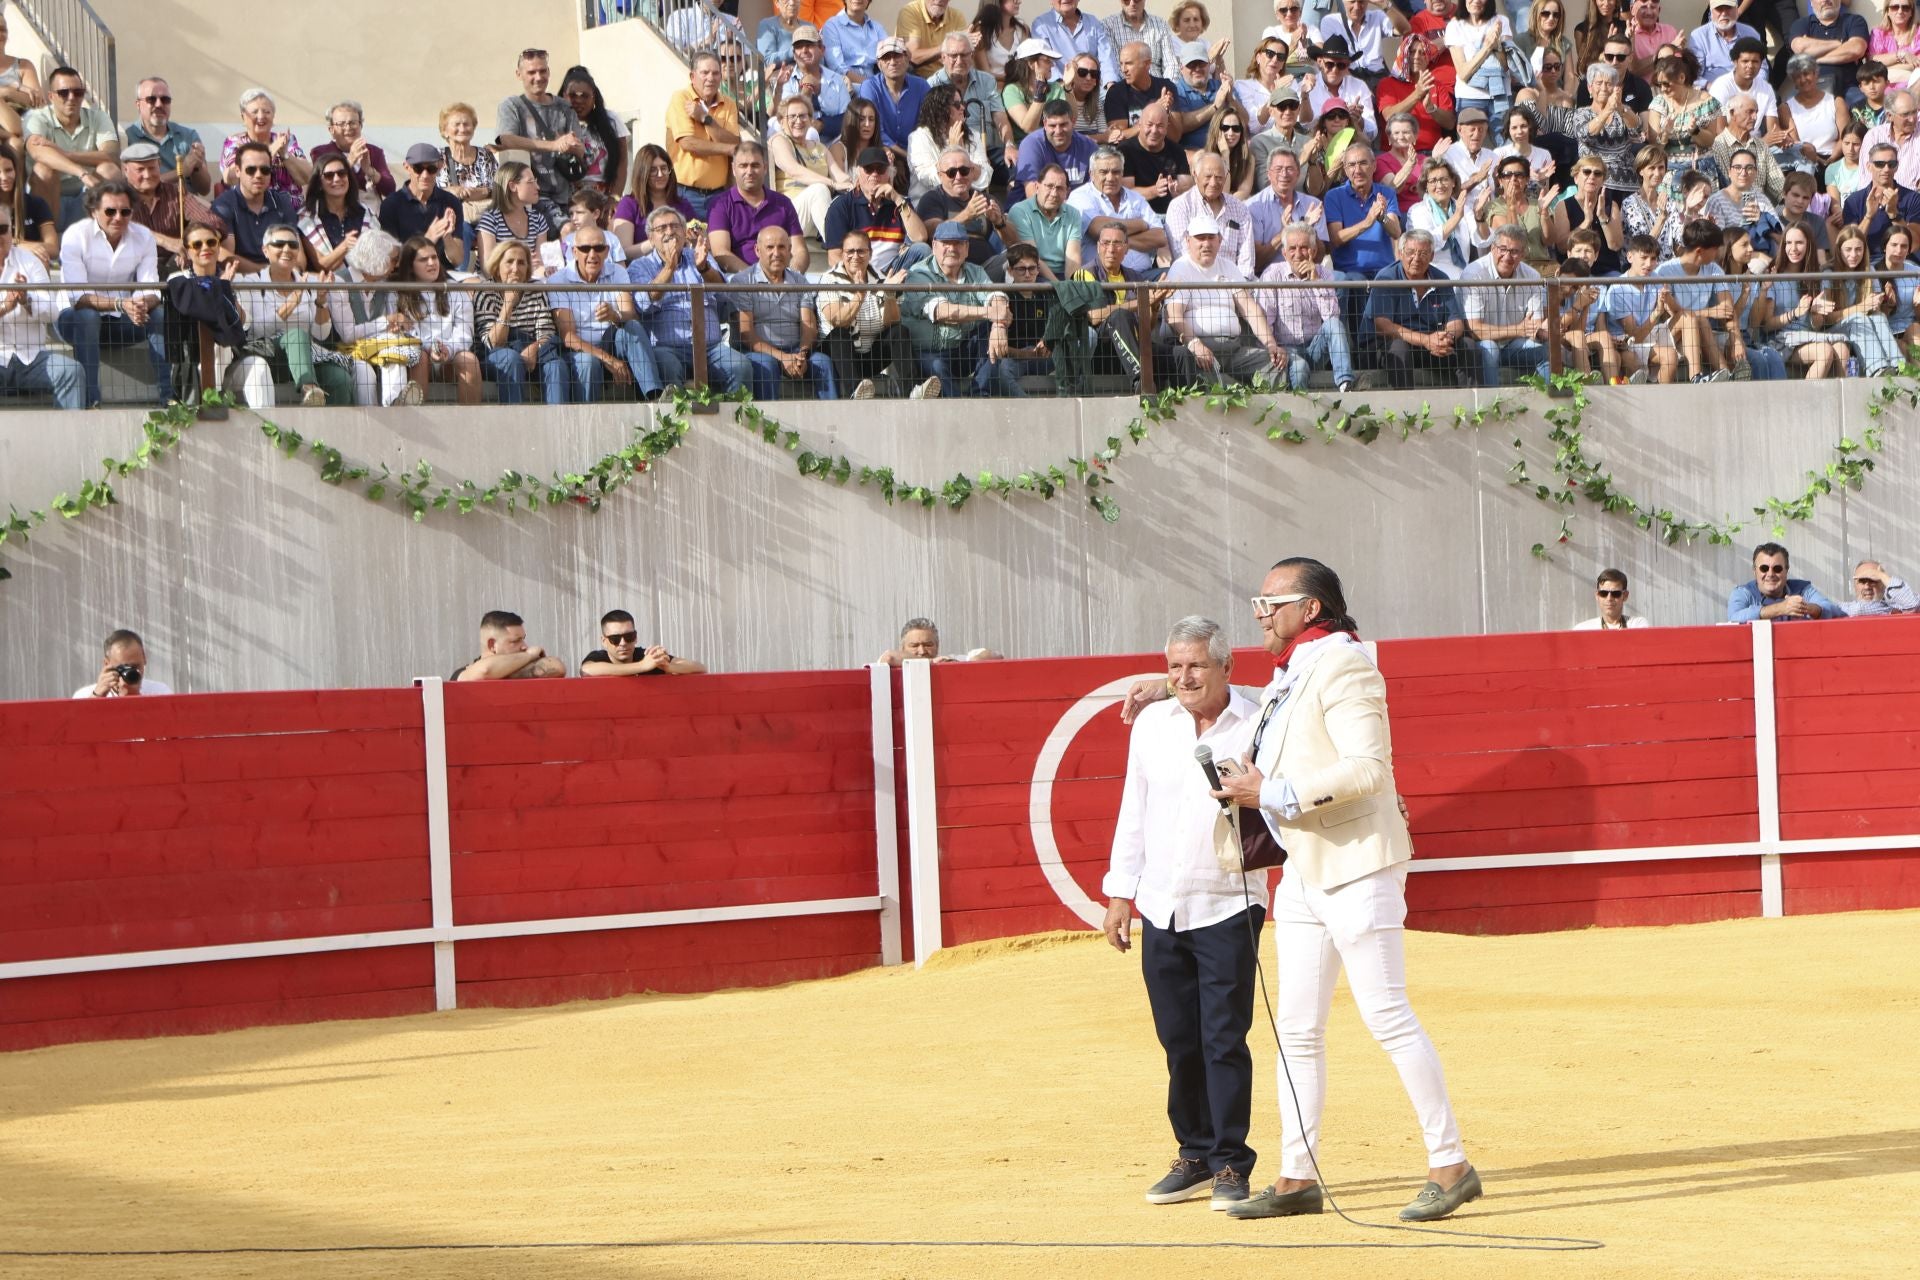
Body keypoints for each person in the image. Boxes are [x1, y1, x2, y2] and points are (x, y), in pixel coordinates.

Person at [1151, 557, 1478, 1225]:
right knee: (1296, 1028)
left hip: (1358, 864)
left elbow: (1367, 769)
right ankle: (1297, 1176)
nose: (1259, 613)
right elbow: (1235, 714)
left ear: (1309, 609)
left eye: (1271, 602)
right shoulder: (1294, 670)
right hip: (1304, 865)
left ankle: (1451, 1163)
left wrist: (1267, 792)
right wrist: (1158, 695)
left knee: (1386, 1014)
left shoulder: (1346, 665)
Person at [1102, 615, 1268, 1214]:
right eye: (1174, 665)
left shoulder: (1258, 718)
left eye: (1197, 664)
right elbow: (1133, 808)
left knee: (1224, 1038)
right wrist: (1121, 892)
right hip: (1160, 904)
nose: (1184, 676)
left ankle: (1230, 1161)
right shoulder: (1150, 724)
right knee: (1178, 1039)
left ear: (1228, 666)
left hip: (1228, 899)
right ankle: (1195, 1154)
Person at [55, 181, 167, 408]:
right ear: (93, 211)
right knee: (88, 316)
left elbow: (152, 288)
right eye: (110, 211)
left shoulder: (143, 236)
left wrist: (140, 304)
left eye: (125, 211)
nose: (118, 217)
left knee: (159, 314)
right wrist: (121, 304)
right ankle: (91, 400)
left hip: (123, 321)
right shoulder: (76, 235)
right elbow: (78, 297)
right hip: (73, 322)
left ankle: (170, 397)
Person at [629, 207, 752, 393]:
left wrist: (704, 268)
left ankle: (737, 418)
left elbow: (724, 291)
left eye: (675, 226)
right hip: (666, 348)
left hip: (710, 348)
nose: (669, 232)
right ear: (651, 238)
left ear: (684, 232)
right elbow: (643, 303)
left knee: (740, 366)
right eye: (662, 228)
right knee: (665, 365)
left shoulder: (699, 255)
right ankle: (675, 422)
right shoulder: (640, 266)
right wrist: (669, 269)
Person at [232, 223, 353, 409]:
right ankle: (309, 388)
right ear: (265, 250)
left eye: (293, 245)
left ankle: (333, 432)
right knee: (296, 335)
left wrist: (321, 303)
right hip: (268, 355)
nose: (287, 249)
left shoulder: (311, 282)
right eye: (279, 244)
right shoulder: (251, 283)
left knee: (340, 378)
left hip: (305, 356)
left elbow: (320, 334)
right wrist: (291, 303)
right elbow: (253, 330)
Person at [1161, 213, 1286, 385]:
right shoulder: (1180, 268)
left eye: (1211, 237)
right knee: (1220, 386)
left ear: (1219, 240)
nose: (1206, 244)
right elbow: (1174, 315)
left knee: (1276, 365)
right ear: (1188, 241)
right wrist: (1194, 344)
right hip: (1200, 351)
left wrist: (1270, 343)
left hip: (1234, 350)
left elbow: (1249, 309)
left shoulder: (1229, 267)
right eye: (1200, 238)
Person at [901, 219, 1021, 395]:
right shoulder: (919, 273)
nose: (952, 248)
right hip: (929, 352)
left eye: (958, 243)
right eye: (946, 243)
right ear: (934, 246)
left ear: (967, 248)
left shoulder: (975, 271)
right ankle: (958, 411)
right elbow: (942, 312)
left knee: (988, 330)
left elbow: (996, 296)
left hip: (961, 350)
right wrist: (990, 313)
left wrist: (999, 325)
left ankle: (980, 395)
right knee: (937, 367)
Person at [550, 222, 661, 403]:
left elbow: (631, 315)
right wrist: (608, 360)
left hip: (612, 342)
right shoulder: (558, 280)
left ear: (607, 251)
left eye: (598, 248)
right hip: (579, 351)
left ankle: (654, 397)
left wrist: (614, 316)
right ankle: (585, 422)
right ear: (574, 252)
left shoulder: (618, 272)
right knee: (588, 363)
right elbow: (568, 337)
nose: (592, 254)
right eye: (585, 248)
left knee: (632, 326)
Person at [819, 228, 930, 397]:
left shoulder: (880, 278)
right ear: (842, 254)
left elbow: (891, 322)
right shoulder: (829, 279)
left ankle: (913, 390)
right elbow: (838, 320)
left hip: (869, 356)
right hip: (839, 356)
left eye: (861, 251)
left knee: (899, 332)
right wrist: (860, 294)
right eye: (850, 251)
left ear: (870, 254)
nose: (855, 256)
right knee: (839, 334)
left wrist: (889, 294)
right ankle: (855, 392)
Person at [733, 225, 836, 400]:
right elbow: (747, 334)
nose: (776, 253)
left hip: (797, 350)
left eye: (782, 247)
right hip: (759, 353)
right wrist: (783, 357)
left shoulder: (800, 281)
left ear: (790, 251)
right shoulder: (742, 281)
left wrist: (801, 355)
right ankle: (768, 425)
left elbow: (809, 325)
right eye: (770, 247)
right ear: (757, 250)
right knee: (766, 365)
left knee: (822, 363)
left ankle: (834, 422)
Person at [1367, 229, 1475, 387]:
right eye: (1411, 252)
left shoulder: (1441, 278)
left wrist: (1446, 338)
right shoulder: (1387, 277)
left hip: (1432, 345)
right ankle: (1405, 410)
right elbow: (1383, 326)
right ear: (1401, 253)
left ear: (1432, 256)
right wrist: (1425, 340)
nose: (1416, 258)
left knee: (1468, 344)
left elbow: (1456, 321)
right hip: (1389, 346)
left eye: (1423, 253)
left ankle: (1472, 406)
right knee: (1398, 347)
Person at [0, 206, 83, 409]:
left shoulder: (30, 262)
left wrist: (26, 300)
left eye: (2, 229)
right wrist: (5, 307)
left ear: (12, 231)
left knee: (71, 371)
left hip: (33, 357)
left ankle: (70, 438)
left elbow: (52, 312)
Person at [1258, 220, 1352, 390]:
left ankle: (1345, 383)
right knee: (1300, 368)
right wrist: (1274, 350)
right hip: (1287, 350)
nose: (1298, 254)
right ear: (1284, 253)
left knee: (1335, 325)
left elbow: (1331, 317)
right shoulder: (1272, 274)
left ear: (1314, 251)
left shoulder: (1324, 273)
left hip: (1315, 348)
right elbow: (1266, 320)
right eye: (1292, 248)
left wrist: (1316, 281)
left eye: (1304, 248)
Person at [475, 239, 570, 404]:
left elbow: (546, 332)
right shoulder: (485, 292)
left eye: (521, 263)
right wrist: (508, 304)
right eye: (509, 262)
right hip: (496, 356)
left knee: (556, 366)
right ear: (497, 267)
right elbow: (493, 343)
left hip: (532, 351)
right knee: (511, 359)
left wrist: (534, 347)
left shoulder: (535, 290)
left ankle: (558, 425)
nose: (515, 269)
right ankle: (514, 424)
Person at [23, 66, 120, 226]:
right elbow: (38, 153)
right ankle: (50, 238)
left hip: (85, 196)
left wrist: (66, 154)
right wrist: (81, 172)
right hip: (48, 197)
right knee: (43, 170)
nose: (71, 97)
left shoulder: (98, 117)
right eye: (64, 92)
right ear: (51, 96)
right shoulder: (36, 118)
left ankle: (99, 238)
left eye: (78, 92)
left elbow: (112, 155)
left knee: (109, 170)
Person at [496, 48, 585, 214]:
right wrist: (553, 145)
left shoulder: (564, 107)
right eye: (531, 72)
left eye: (543, 71)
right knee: (566, 229)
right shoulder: (511, 106)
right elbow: (506, 139)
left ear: (549, 72)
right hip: (530, 199)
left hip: (566, 196)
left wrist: (571, 145)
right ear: (518, 74)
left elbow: (580, 150)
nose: (538, 77)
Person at [1461, 223, 1550, 384]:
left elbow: (1534, 325)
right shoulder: (1474, 274)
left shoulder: (1532, 276)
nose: (1507, 257)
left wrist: (1543, 331)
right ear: (1492, 248)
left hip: (1515, 345)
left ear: (1523, 254)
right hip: (1482, 346)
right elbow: (1475, 330)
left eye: (1514, 251)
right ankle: (1492, 404)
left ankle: (1555, 400)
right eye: (1503, 249)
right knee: (1490, 349)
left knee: (1544, 350)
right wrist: (1519, 329)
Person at [396, 235, 480, 405]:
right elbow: (406, 334)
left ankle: (471, 426)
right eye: (423, 259)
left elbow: (465, 333)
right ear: (411, 266)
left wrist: (447, 350)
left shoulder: (456, 291)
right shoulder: (398, 293)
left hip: (450, 357)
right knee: (420, 357)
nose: (431, 263)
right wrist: (429, 349)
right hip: (418, 357)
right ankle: (417, 424)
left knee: (469, 360)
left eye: (434, 257)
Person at [1655, 218, 1742, 380]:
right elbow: (1671, 313)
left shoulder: (1714, 269)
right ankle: (1697, 376)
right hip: (1671, 332)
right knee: (1694, 319)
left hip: (1700, 328)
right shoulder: (1665, 271)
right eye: (1715, 249)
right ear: (1700, 251)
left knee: (1701, 321)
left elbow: (1727, 310)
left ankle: (1727, 377)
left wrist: (1736, 340)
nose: (1718, 254)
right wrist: (1709, 312)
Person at [122, 142, 226, 277]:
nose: (147, 175)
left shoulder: (175, 192)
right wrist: (165, 241)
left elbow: (212, 221)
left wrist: (189, 245)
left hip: (174, 265)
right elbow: (120, 228)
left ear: (159, 165)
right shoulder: (118, 196)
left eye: (152, 168)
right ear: (125, 170)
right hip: (134, 267)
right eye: (140, 170)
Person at [825, 146, 932, 271]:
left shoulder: (901, 203)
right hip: (858, 275)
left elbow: (920, 237)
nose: (874, 174)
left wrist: (897, 199)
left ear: (889, 174)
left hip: (893, 273)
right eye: (868, 169)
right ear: (858, 173)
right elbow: (834, 258)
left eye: (880, 169)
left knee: (922, 250)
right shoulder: (841, 206)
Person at [706, 142, 808, 273]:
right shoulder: (720, 204)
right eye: (743, 166)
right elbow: (720, 252)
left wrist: (792, 276)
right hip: (738, 282)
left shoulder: (783, 203)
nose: (749, 172)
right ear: (733, 169)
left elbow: (799, 250)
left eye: (755, 165)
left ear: (765, 168)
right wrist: (755, 280)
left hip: (781, 280)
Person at [665, 53, 743, 220]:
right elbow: (688, 143)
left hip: (719, 194)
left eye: (715, 73)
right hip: (685, 194)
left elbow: (735, 141)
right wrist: (728, 149)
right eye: (705, 73)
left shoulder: (728, 103)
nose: (711, 78)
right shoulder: (680, 98)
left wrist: (705, 119)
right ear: (693, 76)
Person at [1070, 143, 1167, 274]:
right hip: (1101, 277)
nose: (1110, 178)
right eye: (1103, 172)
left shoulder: (1136, 198)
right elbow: (1098, 229)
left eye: (1116, 172)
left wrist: (1124, 243)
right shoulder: (1080, 196)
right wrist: (1141, 224)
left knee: (1173, 277)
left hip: (1143, 275)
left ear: (1122, 173)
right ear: (1091, 174)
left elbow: (1159, 237)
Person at [914, 145, 1008, 270]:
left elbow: (1014, 242)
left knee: (1018, 256)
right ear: (940, 175)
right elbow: (933, 232)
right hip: (949, 271)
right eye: (951, 173)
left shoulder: (986, 199)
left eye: (964, 171)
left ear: (972, 171)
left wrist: (1000, 223)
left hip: (985, 270)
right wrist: (967, 215)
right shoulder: (932, 199)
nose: (958, 177)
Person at [930, 31, 1011, 173]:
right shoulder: (932, 85)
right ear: (943, 58)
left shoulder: (986, 81)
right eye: (953, 56)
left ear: (972, 56)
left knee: (1018, 164)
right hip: (949, 152)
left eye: (964, 55)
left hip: (988, 150)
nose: (959, 61)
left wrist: (1009, 144)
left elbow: (1000, 117)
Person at [1603, 234, 1681, 382]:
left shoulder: (1656, 277)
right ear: (1630, 257)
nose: (1649, 264)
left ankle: (1697, 376)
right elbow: (1634, 337)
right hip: (1626, 343)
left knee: (1688, 318)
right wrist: (1657, 312)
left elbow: (1677, 313)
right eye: (1644, 258)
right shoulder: (1617, 289)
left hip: (1649, 333)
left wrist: (1668, 299)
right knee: (1669, 356)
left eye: (1653, 259)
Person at [379, 144, 466, 270]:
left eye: (431, 169)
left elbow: (457, 260)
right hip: (406, 275)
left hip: (442, 274)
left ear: (440, 166)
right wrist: (428, 239)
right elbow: (392, 261)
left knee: (474, 284)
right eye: (418, 169)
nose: (425, 175)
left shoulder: (451, 202)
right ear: (407, 167)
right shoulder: (391, 204)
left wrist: (447, 237)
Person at [218, 88, 309, 205]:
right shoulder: (235, 142)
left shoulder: (286, 140)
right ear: (243, 117)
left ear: (273, 116)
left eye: (267, 112)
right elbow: (230, 178)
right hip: (249, 211)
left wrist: (284, 154)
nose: (261, 116)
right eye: (254, 112)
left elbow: (306, 177)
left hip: (291, 210)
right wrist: (271, 151)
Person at [124, 76, 209, 195]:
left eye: (165, 100)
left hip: (186, 205)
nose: (159, 105)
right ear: (138, 104)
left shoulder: (187, 135)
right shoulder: (128, 138)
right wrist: (181, 171)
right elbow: (135, 187)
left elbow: (205, 190)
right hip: (148, 207)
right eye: (151, 99)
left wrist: (197, 166)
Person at [474, 162, 557, 279]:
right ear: (512, 186)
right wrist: (522, 266)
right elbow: (488, 269)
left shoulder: (538, 220)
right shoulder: (491, 220)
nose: (537, 187)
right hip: (494, 288)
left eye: (536, 182)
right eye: (530, 182)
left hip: (526, 283)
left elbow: (538, 266)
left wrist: (546, 271)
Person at [558, 66, 630, 197]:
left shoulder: (611, 120)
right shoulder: (556, 122)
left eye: (585, 96)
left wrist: (615, 197)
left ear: (594, 97)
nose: (579, 101)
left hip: (604, 198)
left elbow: (622, 162)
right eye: (573, 95)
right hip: (567, 201)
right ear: (564, 95)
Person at [1249, 148, 1326, 271]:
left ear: (1298, 173)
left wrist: (1309, 230)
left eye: (1290, 169)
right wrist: (1285, 232)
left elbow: (1320, 257)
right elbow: (1256, 262)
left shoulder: (1313, 204)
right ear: (1269, 174)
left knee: (1340, 277)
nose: (1284, 174)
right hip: (1268, 277)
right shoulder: (1253, 207)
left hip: (1306, 274)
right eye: (1278, 169)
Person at [1446, 0, 1515, 137]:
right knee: (1471, 145)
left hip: (1500, 97)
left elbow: (1508, 66)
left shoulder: (1501, 21)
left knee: (1505, 145)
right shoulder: (1455, 26)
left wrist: (1498, 47)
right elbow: (1463, 73)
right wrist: (1487, 47)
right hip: (1469, 97)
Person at [909, 83, 990, 198]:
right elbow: (929, 179)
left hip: (969, 200)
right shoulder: (919, 138)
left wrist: (961, 155)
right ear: (940, 109)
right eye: (956, 104)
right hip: (930, 203)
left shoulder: (972, 135)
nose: (962, 108)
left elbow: (985, 176)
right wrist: (952, 152)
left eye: (962, 103)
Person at [312, 101, 396, 208]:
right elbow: (318, 187)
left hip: (370, 216)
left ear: (360, 125)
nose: (348, 128)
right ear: (331, 129)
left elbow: (390, 189)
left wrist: (369, 170)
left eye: (353, 123)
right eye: (342, 124)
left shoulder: (374, 152)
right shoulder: (321, 153)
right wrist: (349, 162)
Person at [1727, 543, 1841, 622]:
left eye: (1777, 569)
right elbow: (1734, 618)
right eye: (1764, 568)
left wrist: (1806, 608)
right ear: (1754, 571)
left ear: (1786, 570)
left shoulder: (1803, 589)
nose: (1770, 574)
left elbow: (1831, 609)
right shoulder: (1743, 593)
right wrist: (1781, 608)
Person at [1007, 162, 1084, 278]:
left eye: (1059, 188)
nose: (1054, 194)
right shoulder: (1020, 211)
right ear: (1037, 187)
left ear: (1067, 192)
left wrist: (1071, 287)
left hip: (1063, 275)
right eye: (1049, 186)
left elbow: (1073, 257)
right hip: (1032, 274)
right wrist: (1059, 289)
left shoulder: (1073, 214)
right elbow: (1032, 257)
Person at [1841, 143, 1920, 255]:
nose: (1886, 169)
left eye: (1891, 164)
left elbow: (1914, 245)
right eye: (1880, 164)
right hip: (1867, 262)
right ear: (1869, 166)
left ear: (1897, 167)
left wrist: (1894, 215)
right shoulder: (1853, 201)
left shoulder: (1913, 198)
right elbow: (1851, 247)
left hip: (1903, 261)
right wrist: (1868, 217)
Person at [581, 610, 708, 677]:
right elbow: (587, 670)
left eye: (629, 636)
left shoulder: (647, 656)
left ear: (636, 637)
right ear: (604, 641)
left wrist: (668, 667)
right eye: (615, 639)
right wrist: (643, 666)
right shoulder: (598, 657)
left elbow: (700, 668)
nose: (623, 643)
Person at [863, 37, 931, 159]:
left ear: (907, 58)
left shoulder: (921, 86)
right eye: (886, 58)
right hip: (882, 152)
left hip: (917, 153)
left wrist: (913, 158)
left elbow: (928, 124)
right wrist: (905, 157)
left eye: (897, 56)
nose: (892, 62)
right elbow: (876, 130)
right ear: (879, 64)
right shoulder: (870, 87)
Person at [299, 154, 368, 274]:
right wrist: (345, 246)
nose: (336, 179)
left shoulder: (365, 213)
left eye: (342, 173)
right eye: (329, 175)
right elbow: (321, 266)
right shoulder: (307, 218)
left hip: (366, 286)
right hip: (327, 288)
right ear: (319, 183)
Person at [1780, 52, 1847, 174]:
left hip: (1836, 159)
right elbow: (1796, 143)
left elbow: (1845, 137)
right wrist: (1817, 159)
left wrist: (1830, 160)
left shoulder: (1836, 102)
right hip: (1805, 161)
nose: (1803, 79)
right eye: (1797, 76)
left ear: (1816, 74)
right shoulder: (1786, 108)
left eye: (1806, 74)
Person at [1788, 0, 1871, 98]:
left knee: (1865, 109)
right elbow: (1800, 48)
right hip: (1809, 89)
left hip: (1848, 89)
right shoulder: (1801, 24)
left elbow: (1856, 49)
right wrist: (1839, 43)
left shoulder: (1854, 20)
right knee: (1786, 109)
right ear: (1811, 3)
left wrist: (1812, 57)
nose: (1825, 0)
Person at [438, 102, 499, 234]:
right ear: (445, 131)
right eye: (457, 124)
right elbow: (431, 191)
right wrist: (452, 191)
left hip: (485, 216)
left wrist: (482, 192)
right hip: (452, 218)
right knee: (461, 229)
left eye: (467, 124)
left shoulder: (485, 155)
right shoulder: (438, 157)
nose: (463, 128)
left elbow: (498, 188)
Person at [454, 611, 567, 681]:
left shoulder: (523, 664)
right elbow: (484, 671)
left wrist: (502, 672)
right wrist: (529, 655)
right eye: (515, 641)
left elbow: (557, 667)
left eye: (523, 639)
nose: (524, 646)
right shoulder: (462, 673)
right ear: (492, 645)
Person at [1018, 99, 1099, 195]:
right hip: (1033, 207)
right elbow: (1032, 193)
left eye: (1063, 124)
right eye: (1052, 125)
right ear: (1044, 124)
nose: (1058, 131)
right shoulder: (1032, 144)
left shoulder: (1089, 146)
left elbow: (1097, 189)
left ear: (1073, 121)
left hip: (1078, 207)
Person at [1032, 0, 1121, 87]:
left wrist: (1110, 85)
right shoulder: (1041, 25)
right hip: (1061, 87)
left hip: (1093, 86)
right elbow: (1045, 63)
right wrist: (1065, 87)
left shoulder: (1093, 22)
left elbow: (1106, 58)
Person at [1105, 40, 1178, 143]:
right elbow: (1117, 138)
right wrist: (1154, 111)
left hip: (1164, 152)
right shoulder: (1116, 93)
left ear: (1147, 64)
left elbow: (1176, 138)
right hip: (1132, 154)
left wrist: (1165, 114)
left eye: (1129, 63)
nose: (1123, 69)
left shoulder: (1166, 87)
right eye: (1121, 64)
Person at [0, 142, 57, 264]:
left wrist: (27, 248)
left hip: (27, 263)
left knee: (41, 257)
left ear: (17, 171)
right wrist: (19, 244)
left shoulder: (36, 204)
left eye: (9, 170)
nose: (4, 177)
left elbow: (53, 248)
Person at [74, 629, 173, 698]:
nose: (131, 672)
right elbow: (78, 727)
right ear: (106, 664)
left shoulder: (160, 692)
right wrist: (97, 697)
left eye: (135, 666)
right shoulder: (84, 695)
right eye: (122, 668)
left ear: (144, 658)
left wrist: (135, 696)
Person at [1003, 39, 1062, 146]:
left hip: (1055, 144)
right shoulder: (1011, 90)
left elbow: (1072, 119)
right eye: (1047, 60)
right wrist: (1040, 93)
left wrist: (1068, 87)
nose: (1052, 65)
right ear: (1031, 64)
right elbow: (1028, 127)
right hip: (1028, 147)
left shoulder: (1056, 87)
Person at [1709, 38, 1777, 126]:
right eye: (1745, 61)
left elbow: (1774, 130)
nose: (1750, 66)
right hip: (1728, 138)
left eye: (1755, 62)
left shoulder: (1766, 89)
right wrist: (1762, 140)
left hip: (1758, 139)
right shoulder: (1721, 86)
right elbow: (1718, 130)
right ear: (1735, 62)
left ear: (1761, 64)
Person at [1106, 0, 1181, 80]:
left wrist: (1168, 87)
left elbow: (1171, 64)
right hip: (1125, 85)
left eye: (1137, 0)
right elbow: (1112, 67)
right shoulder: (1109, 25)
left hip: (1158, 86)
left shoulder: (1160, 24)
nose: (1132, 3)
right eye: (1126, 0)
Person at [1861, 90, 1920, 188]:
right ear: (1889, 116)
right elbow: (1866, 178)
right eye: (1905, 114)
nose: (1912, 119)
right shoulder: (1874, 136)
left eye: (1914, 112)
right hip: (1879, 198)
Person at [0, 11, 44, 141]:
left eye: (3, 29)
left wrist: (8, 93)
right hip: (12, 134)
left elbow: (37, 103)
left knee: (16, 143)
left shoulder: (23, 65)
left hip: (21, 125)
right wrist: (12, 91)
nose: (0, 34)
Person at [876, 617, 1002, 662]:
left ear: (937, 645)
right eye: (914, 645)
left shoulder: (948, 661)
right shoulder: (892, 664)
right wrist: (931, 663)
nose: (922, 651)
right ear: (902, 648)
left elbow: (997, 656)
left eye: (928, 644)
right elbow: (888, 658)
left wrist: (976, 660)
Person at [898, 0, 971, 77]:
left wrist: (971, 43)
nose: (939, 0)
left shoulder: (957, 16)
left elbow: (962, 57)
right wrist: (948, 47)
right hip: (918, 77)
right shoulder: (911, 11)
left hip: (947, 77)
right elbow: (912, 57)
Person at [825, 0, 888, 85]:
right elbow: (837, 68)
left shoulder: (877, 28)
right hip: (848, 85)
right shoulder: (832, 26)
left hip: (876, 82)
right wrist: (870, 85)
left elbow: (888, 58)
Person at [975, 0, 1034, 83]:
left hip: (1019, 89)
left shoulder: (1022, 29)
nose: (1018, 1)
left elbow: (1029, 65)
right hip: (991, 90)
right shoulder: (980, 31)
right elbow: (985, 73)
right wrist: (1011, 78)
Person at [1575, 569, 1651, 628]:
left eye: (1615, 593)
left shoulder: (1637, 625)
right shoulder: (1582, 630)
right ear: (1597, 596)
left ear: (1625, 596)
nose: (1609, 598)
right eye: (1603, 593)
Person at [1840, 561, 1920, 615]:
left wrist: (1882, 575)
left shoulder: (1897, 606)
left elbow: (1912, 605)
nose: (1867, 587)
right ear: (1855, 585)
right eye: (1862, 581)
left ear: (1884, 584)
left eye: (1873, 580)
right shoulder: (1845, 608)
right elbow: (1859, 609)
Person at [1874, 1, 1920, 91]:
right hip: (1883, 91)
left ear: (1911, 12)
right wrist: (1902, 55)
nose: (1900, 11)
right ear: (1887, 11)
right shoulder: (1878, 33)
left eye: (1905, 8)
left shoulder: (1918, 33)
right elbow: (1872, 63)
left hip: (1912, 89)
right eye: (1895, 7)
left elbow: (1918, 64)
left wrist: (1886, 67)